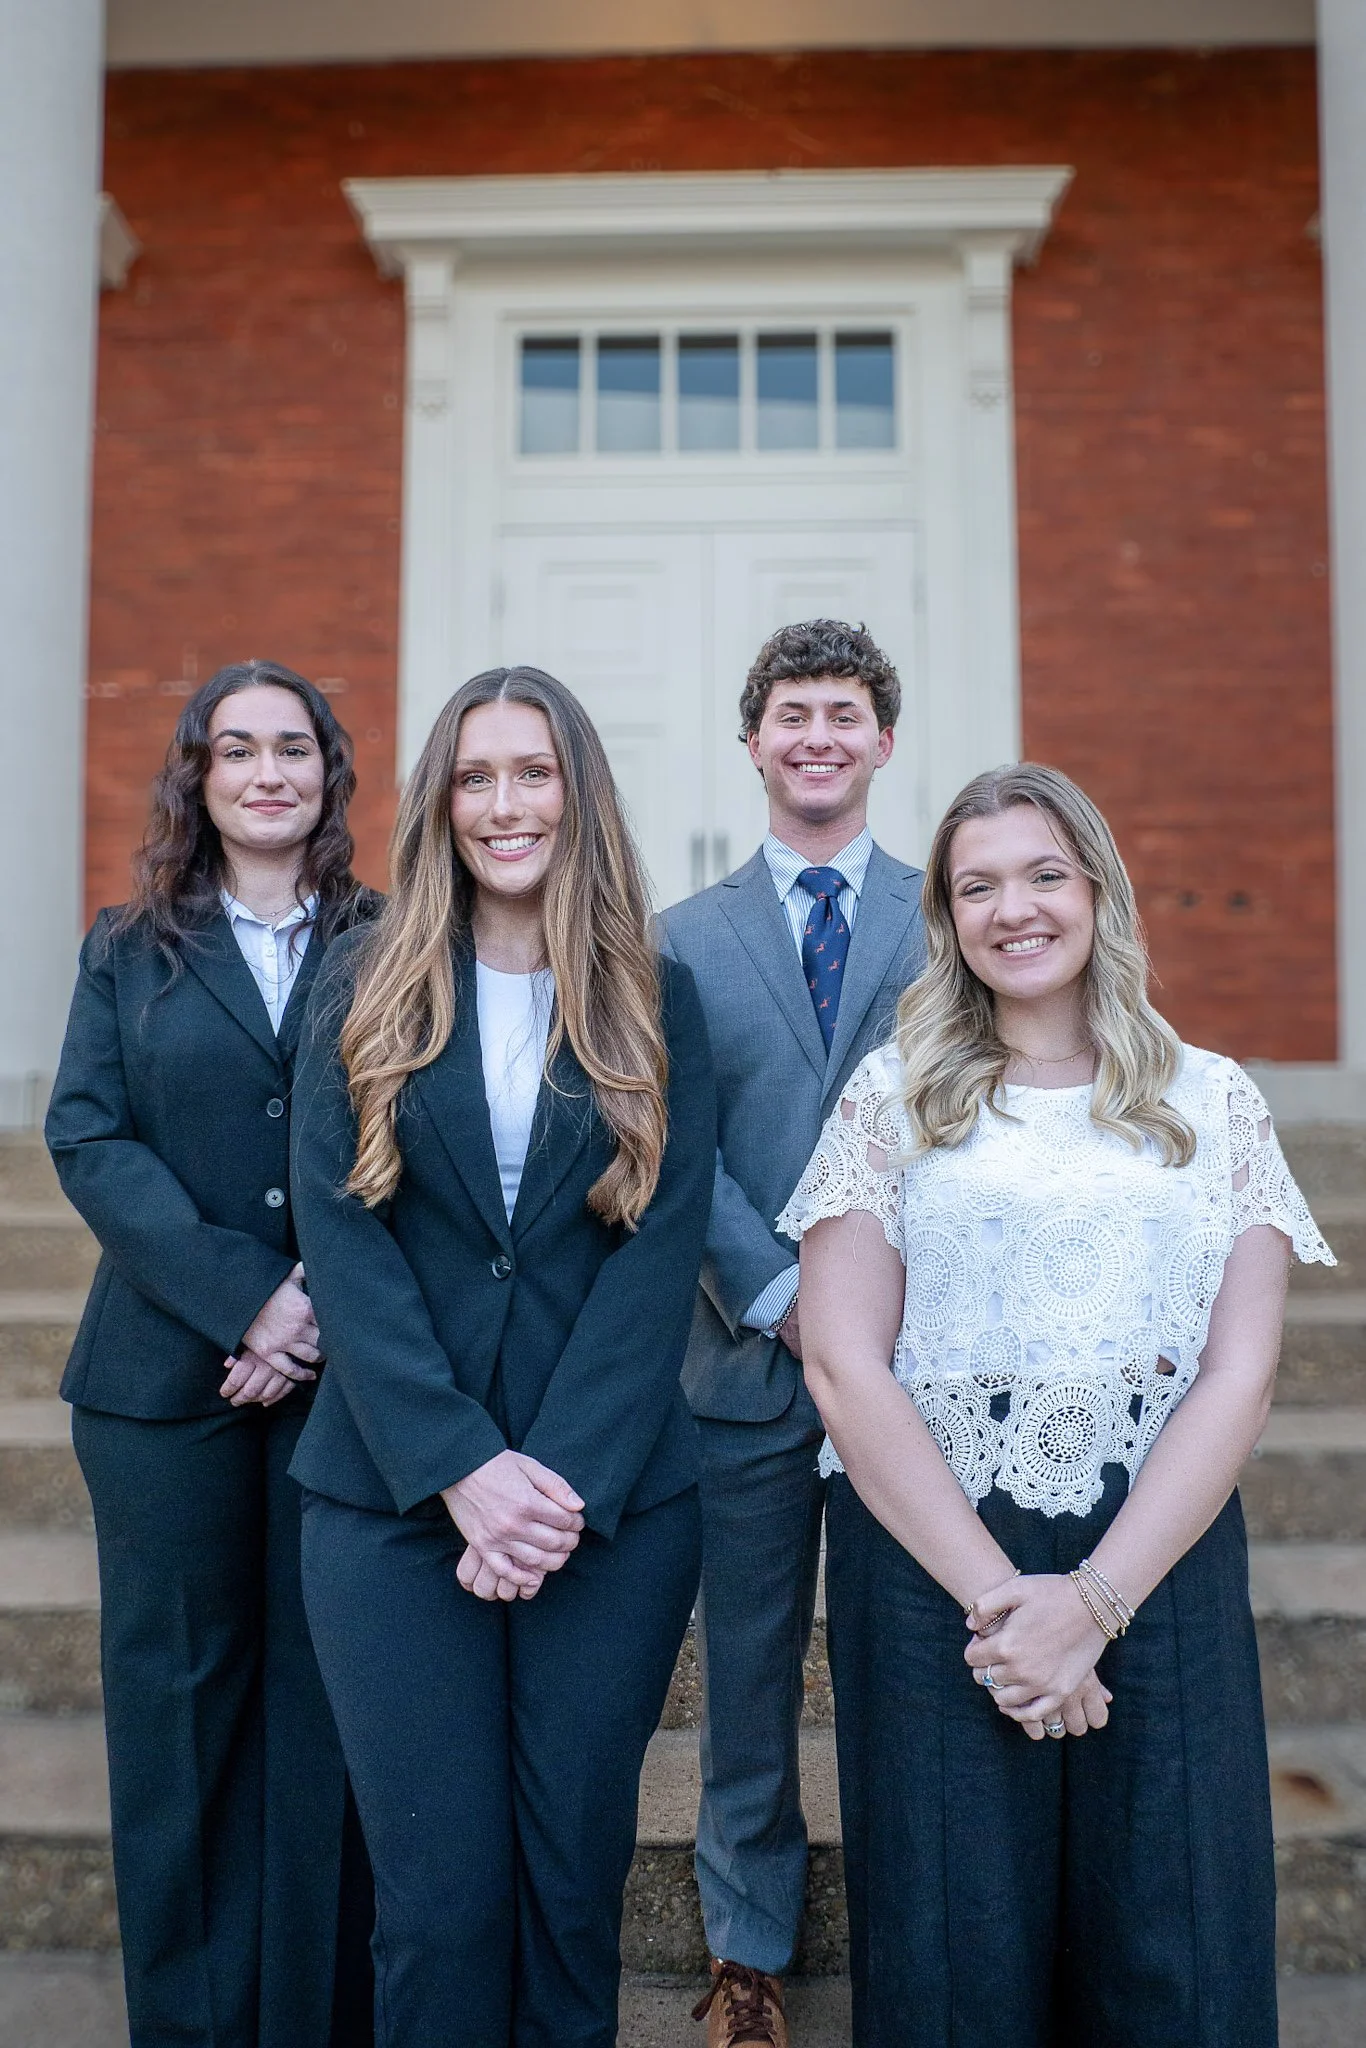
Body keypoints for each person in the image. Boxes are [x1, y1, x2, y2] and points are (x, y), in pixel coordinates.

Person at [780, 762, 1332, 2047]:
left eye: (1042, 874)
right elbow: (844, 1364)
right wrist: (1003, 1603)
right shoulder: (890, 1096)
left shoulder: (1214, 1098)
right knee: (951, 1948)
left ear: (1097, 890)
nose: (1013, 908)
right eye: (976, 886)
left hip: (1156, 1552)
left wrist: (1092, 1602)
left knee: (1176, 1943)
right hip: (936, 1565)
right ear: (947, 917)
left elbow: (1240, 1372)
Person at [287, 664, 716, 2048]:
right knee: (437, 1905)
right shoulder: (361, 986)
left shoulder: (657, 996)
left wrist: (554, 1483)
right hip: (392, 1505)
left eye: (533, 772)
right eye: (475, 776)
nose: (504, 803)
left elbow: (659, 1258)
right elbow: (343, 1243)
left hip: (608, 1512)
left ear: (577, 792)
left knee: (569, 1893)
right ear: (440, 803)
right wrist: (462, 1466)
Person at [45, 660, 378, 2048]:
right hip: (160, 1394)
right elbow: (87, 1135)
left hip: (344, 1394)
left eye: (291, 747)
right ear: (198, 775)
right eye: (234, 749)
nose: (265, 772)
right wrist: (245, 1301)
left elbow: (416, 1137)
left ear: (327, 773)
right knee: (178, 1729)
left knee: (328, 1721)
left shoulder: (392, 936)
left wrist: (316, 1311)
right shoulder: (127, 947)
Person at [661, 620, 926, 2046]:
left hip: (915, 1366)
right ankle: (746, 1955)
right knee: (748, 1679)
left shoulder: (951, 915)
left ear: (882, 739)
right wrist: (775, 1292)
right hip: (742, 1366)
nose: (816, 735)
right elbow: (665, 1137)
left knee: (910, 1669)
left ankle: (924, 1942)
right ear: (752, 741)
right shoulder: (679, 938)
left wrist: (874, 1313)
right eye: (791, 714)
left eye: (842, 712)